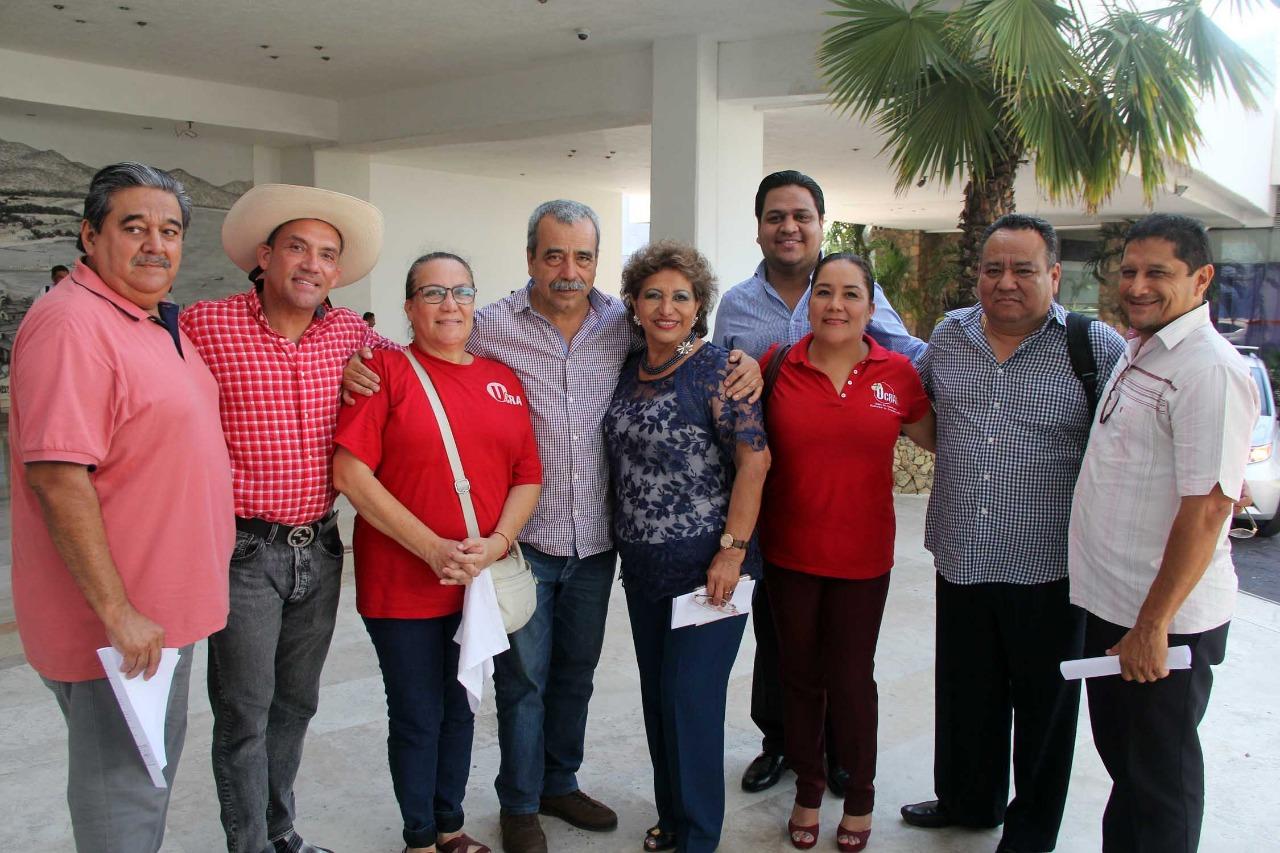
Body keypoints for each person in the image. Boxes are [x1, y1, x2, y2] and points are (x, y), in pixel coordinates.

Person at [341, 200, 762, 853]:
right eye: (555, 254)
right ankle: (519, 803)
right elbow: (434, 340)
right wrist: (364, 359)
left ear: (597, 262)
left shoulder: (623, 323)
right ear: (531, 258)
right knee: (524, 682)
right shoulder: (491, 323)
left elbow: (681, 341)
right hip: (525, 540)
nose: (569, 269)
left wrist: (745, 359)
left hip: (595, 540)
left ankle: (559, 782)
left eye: (583, 256)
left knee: (576, 674)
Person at [9, 162, 233, 852]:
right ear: (89, 235)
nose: (155, 245)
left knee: (145, 782)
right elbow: (58, 478)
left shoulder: (145, 317)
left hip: (158, 614)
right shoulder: (73, 324)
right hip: (120, 629)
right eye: (134, 228)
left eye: (170, 231)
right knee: (124, 800)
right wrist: (118, 611)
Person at [179, 183, 398, 853]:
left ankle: (281, 833)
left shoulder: (352, 334)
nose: (312, 264)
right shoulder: (205, 325)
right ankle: (248, 844)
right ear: (265, 256)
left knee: (296, 704)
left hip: (322, 548)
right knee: (243, 714)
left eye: (327, 254)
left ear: (338, 270)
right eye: (298, 248)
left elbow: (419, 373)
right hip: (244, 551)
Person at [901, 214, 1126, 853]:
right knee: (965, 694)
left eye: (1023, 269)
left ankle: (1029, 834)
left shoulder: (1094, 347)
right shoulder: (951, 336)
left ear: (1053, 274)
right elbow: (916, 407)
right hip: (962, 556)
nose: (1006, 282)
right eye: (993, 269)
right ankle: (969, 801)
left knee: (1045, 711)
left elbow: (1131, 445)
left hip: (1051, 570)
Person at [713, 169, 926, 797]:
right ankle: (779, 741)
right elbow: (718, 376)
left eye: (801, 216)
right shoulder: (737, 304)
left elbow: (907, 355)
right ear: (759, 228)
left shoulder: (851, 287)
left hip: (841, 497)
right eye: (776, 216)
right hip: (766, 497)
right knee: (779, 636)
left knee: (842, 648)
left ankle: (836, 749)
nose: (789, 227)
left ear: (819, 224)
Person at [333, 252, 542, 853]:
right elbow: (350, 474)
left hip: (476, 581)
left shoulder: (502, 380)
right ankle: (420, 838)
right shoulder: (383, 371)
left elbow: (527, 475)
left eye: (461, 292)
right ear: (409, 306)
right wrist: (430, 548)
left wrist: (496, 544)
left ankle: (450, 826)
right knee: (417, 713)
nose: (450, 304)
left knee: (461, 708)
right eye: (432, 293)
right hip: (401, 584)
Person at [1069, 214, 1257, 853]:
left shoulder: (1209, 369)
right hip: (1116, 607)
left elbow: (1207, 510)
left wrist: (1152, 625)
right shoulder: (1141, 347)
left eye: (1158, 273)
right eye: (1129, 271)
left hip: (1162, 623)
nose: (1138, 285)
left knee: (1159, 782)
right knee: (1129, 770)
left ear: (1201, 279)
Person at [760, 253, 933, 852]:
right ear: (809, 302)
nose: (836, 305)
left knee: (853, 680)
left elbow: (944, 440)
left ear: (870, 305)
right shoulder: (777, 365)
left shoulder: (898, 374)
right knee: (799, 679)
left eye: (851, 293)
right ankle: (808, 790)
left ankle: (859, 796)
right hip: (789, 555)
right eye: (824, 292)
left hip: (863, 559)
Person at [605, 240, 771, 853]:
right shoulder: (628, 367)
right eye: (653, 295)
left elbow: (755, 461)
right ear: (634, 303)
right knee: (658, 699)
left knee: (691, 702)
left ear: (699, 304)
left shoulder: (721, 370)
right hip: (643, 567)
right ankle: (672, 816)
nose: (666, 308)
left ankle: (699, 836)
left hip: (710, 570)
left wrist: (732, 550)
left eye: (680, 296)